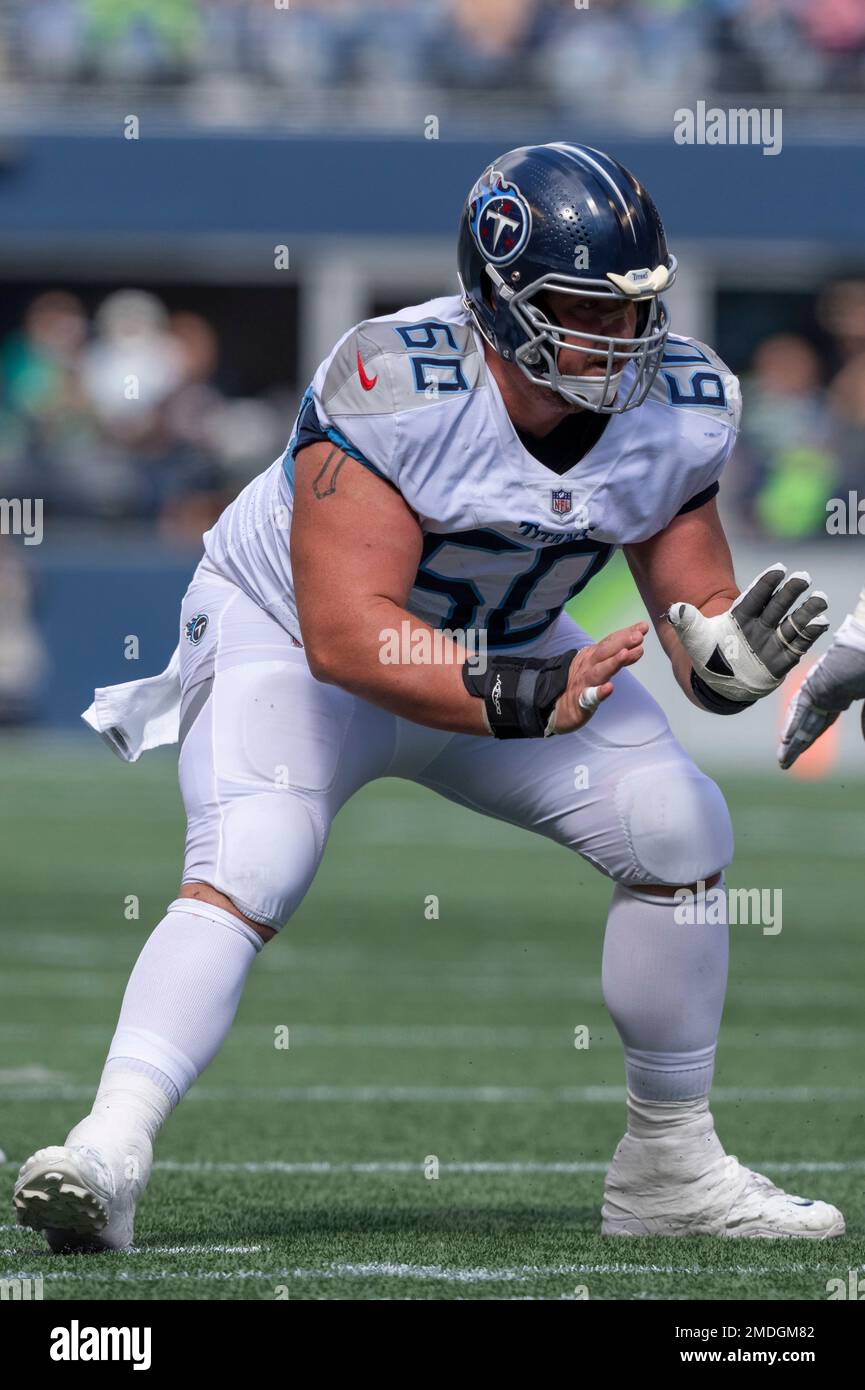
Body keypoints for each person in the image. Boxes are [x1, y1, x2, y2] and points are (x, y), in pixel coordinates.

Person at [14, 143, 842, 1249]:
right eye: (585, 309)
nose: (621, 339)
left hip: (504, 646)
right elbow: (347, 634)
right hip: (294, 636)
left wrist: (737, 659)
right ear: (501, 299)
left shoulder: (677, 404)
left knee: (681, 824)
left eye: (635, 308)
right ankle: (109, 1150)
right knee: (252, 859)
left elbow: (702, 644)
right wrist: (520, 692)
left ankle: (669, 1168)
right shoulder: (395, 381)